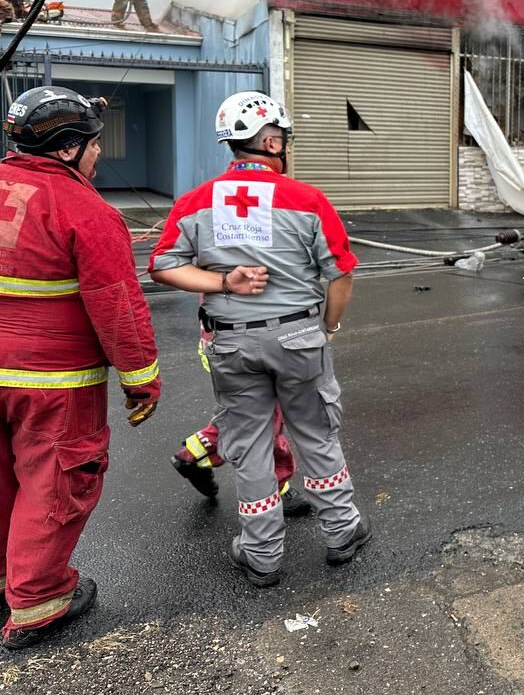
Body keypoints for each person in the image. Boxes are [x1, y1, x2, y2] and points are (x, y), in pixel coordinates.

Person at [149, 91, 367, 587]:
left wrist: (223, 282)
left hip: (229, 345)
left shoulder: (194, 202)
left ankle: (262, 554)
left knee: (247, 445)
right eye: (283, 140)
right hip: (298, 337)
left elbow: (163, 266)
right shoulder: (307, 200)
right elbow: (341, 275)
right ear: (270, 142)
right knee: (316, 434)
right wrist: (328, 326)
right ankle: (342, 533)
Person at [0, 86, 161, 650]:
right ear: (69, 150)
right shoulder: (85, 210)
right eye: (93, 144)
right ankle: (39, 600)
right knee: (53, 485)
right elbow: (118, 305)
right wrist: (141, 380)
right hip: (52, 387)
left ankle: (8, 578)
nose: (97, 155)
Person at [171, 327, 309, 516]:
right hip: (253, 342)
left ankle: (194, 453)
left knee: (247, 415)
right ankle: (277, 487)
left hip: (226, 343)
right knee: (264, 421)